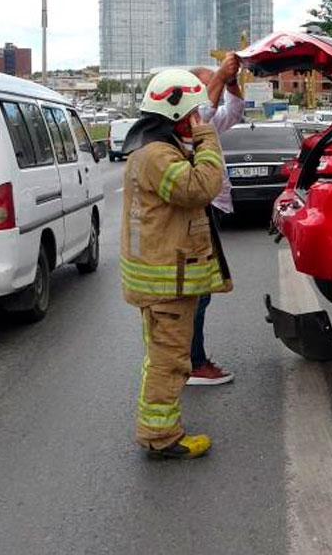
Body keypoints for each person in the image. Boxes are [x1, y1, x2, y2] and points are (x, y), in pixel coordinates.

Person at [118, 68, 231, 460]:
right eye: (192, 114)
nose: (195, 119)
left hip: (164, 280)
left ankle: (157, 429)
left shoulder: (154, 149)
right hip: (166, 285)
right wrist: (206, 136)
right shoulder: (157, 156)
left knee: (162, 358)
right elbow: (202, 186)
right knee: (169, 361)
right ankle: (161, 437)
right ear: (177, 113)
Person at [186, 56, 245, 386]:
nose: (218, 89)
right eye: (213, 85)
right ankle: (194, 362)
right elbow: (205, 117)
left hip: (213, 208)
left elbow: (234, 112)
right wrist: (219, 77)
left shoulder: (204, 117)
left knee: (202, 289)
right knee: (199, 291)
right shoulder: (189, 122)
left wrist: (231, 81)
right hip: (200, 209)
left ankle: (191, 358)